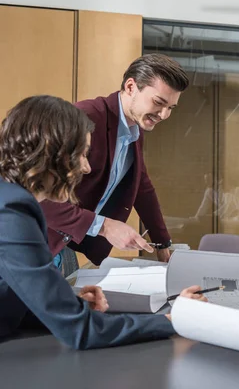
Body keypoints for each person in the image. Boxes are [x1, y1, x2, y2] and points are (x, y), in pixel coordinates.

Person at [0, 95, 205, 349]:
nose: (86, 168)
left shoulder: (11, 201)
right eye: (82, 155)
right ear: (54, 152)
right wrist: (174, 320)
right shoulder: (11, 211)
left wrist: (72, 306)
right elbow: (81, 331)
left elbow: (13, 296)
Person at [41, 54, 190, 270]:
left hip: (65, 244)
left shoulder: (134, 128)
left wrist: (162, 242)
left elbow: (141, 186)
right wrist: (105, 226)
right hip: (36, 240)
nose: (164, 115)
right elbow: (35, 194)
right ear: (131, 87)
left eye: (171, 108)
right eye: (159, 103)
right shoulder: (83, 117)